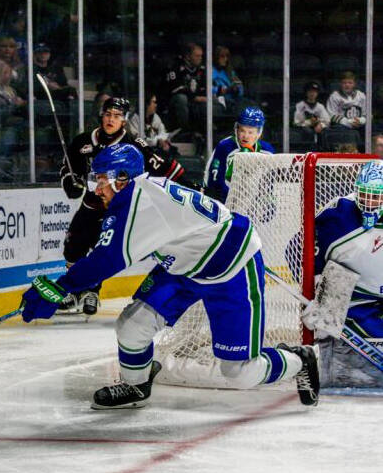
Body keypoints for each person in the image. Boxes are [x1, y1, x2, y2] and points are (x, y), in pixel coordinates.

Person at [20, 143, 320, 409]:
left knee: (240, 372)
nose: (97, 189)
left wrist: (58, 289)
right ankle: (137, 385)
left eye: (101, 180)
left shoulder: (138, 202)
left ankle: (299, 359)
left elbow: (107, 259)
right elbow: (105, 256)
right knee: (132, 325)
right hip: (185, 267)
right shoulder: (139, 192)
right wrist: (61, 289)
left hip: (231, 267)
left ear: (122, 179)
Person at [58, 96, 187, 315]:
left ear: (124, 121)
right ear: (102, 115)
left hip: (116, 209)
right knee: (72, 247)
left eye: (117, 116)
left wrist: (191, 186)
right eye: (108, 114)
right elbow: (67, 169)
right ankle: (72, 290)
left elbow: (164, 167)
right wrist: (69, 182)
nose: (111, 119)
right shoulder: (83, 142)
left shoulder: (133, 145)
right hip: (91, 203)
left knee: (100, 249)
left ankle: (92, 290)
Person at [310, 160, 383, 388]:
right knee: (331, 325)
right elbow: (300, 250)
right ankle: (332, 363)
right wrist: (318, 292)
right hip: (357, 297)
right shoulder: (337, 216)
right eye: (365, 194)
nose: (370, 203)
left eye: (377, 196)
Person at [203, 106, 275, 204]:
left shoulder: (267, 151)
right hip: (224, 202)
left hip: (252, 205)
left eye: (250, 132)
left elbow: (268, 183)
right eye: (242, 130)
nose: (245, 136)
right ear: (236, 129)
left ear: (259, 133)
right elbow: (213, 177)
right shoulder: (225, 146)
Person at [161, 42, 208, 133]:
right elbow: (176, 89)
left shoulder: (202, 69)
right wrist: (194, 97)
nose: (200, 58)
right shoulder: (175, 67)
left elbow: (204, 89)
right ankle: (185, 132)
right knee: (181, 98)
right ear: (188, 56)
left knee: (210, 101)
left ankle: (205, 134)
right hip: (173, 104)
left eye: (201, 56)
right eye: (197, 56)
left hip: (194, 102)